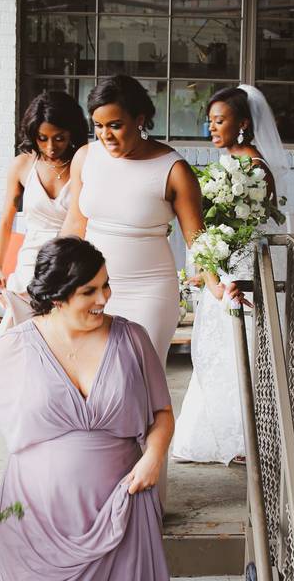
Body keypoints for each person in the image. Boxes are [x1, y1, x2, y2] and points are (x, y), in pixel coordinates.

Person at [0, 237, 173, 580]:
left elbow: (162, 412)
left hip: (122, 509)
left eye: (106, 286)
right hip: (37, 519)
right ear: (58, 297)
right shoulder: (17, 345)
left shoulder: (132, 338)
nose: (103, 298)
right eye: (89, 291)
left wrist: (153, 457)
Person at [61, 74, 234, 368]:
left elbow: (197, 240)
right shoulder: (85, 157)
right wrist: (52, 277)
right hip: (90, 288)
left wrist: (218, 287)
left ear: (140, 120)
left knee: (140, 381)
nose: (105, 136)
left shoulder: (174, 169)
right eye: (99, 126)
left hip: (148, 293)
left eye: (115, 125)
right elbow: (74, 225)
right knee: (93, 380)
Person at [171, 85, 287, 465]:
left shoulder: (255, 168)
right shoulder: (224, 165)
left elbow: (249, 223)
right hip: (219, 263)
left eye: (220, 121)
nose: (212, 129)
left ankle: (241, 438)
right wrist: (204, 266)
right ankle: (211, 433)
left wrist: (222, 263)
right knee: (212, 349)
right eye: (210, 121)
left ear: (242, 124)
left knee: (240, 349)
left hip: (241, 266)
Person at [0, 90, 89, 338]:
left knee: (63, 336)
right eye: (42, 138)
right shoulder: (22, 165)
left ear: (72, 132)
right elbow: (6, 220)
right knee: (20, 332)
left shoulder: (85, 162)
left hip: (74, 259)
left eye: (59, 138)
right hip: (30, 262)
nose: (50, 147)